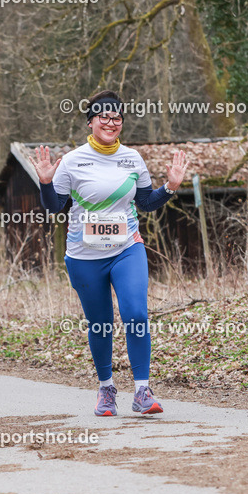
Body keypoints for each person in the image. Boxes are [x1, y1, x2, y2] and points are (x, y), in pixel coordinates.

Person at [31, 90, 187, 416]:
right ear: (90, 123)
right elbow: (54, 207)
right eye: (104, 116)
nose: (111, 122)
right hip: (84, 256)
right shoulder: (73, 160)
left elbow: (145, 203)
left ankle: (143, 391)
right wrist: (46, 182)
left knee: (137, 314)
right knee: (100, 323)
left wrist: (169, 188)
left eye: (117, 117)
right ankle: (106, 389)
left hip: (126, 249)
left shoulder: (132, 158)